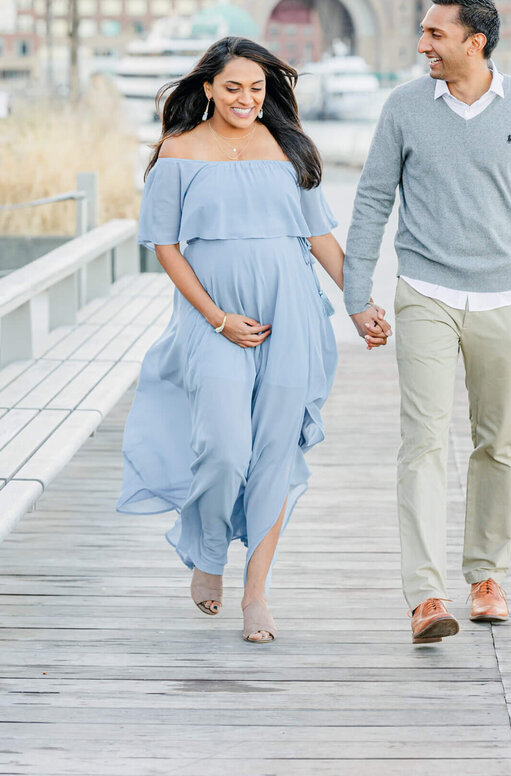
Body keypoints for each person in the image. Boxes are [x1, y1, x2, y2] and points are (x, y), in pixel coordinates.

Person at [117, 36, 390, 643]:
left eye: (258, 88)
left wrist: (359, 306)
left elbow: (319, 238)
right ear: (208, 87)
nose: (246, 99)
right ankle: (209, 551)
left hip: (291, 313)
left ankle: (256, 593)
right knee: (222, 447)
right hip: (214, 317)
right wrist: (217, 318)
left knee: (273, 450)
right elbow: (166, 248)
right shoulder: (178, 153)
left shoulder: (291, 149)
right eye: (234, 87)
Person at [343, 0, 511, 643]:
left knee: (496, 444)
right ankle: (426, 595)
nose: (422, 45)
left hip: (505, 302)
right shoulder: (406, 107)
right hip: (427, 295)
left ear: (476, 41)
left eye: (436, 35)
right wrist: (358, 292)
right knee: (423, 443)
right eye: (423, 31)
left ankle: (486, 576)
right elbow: (372, 199)